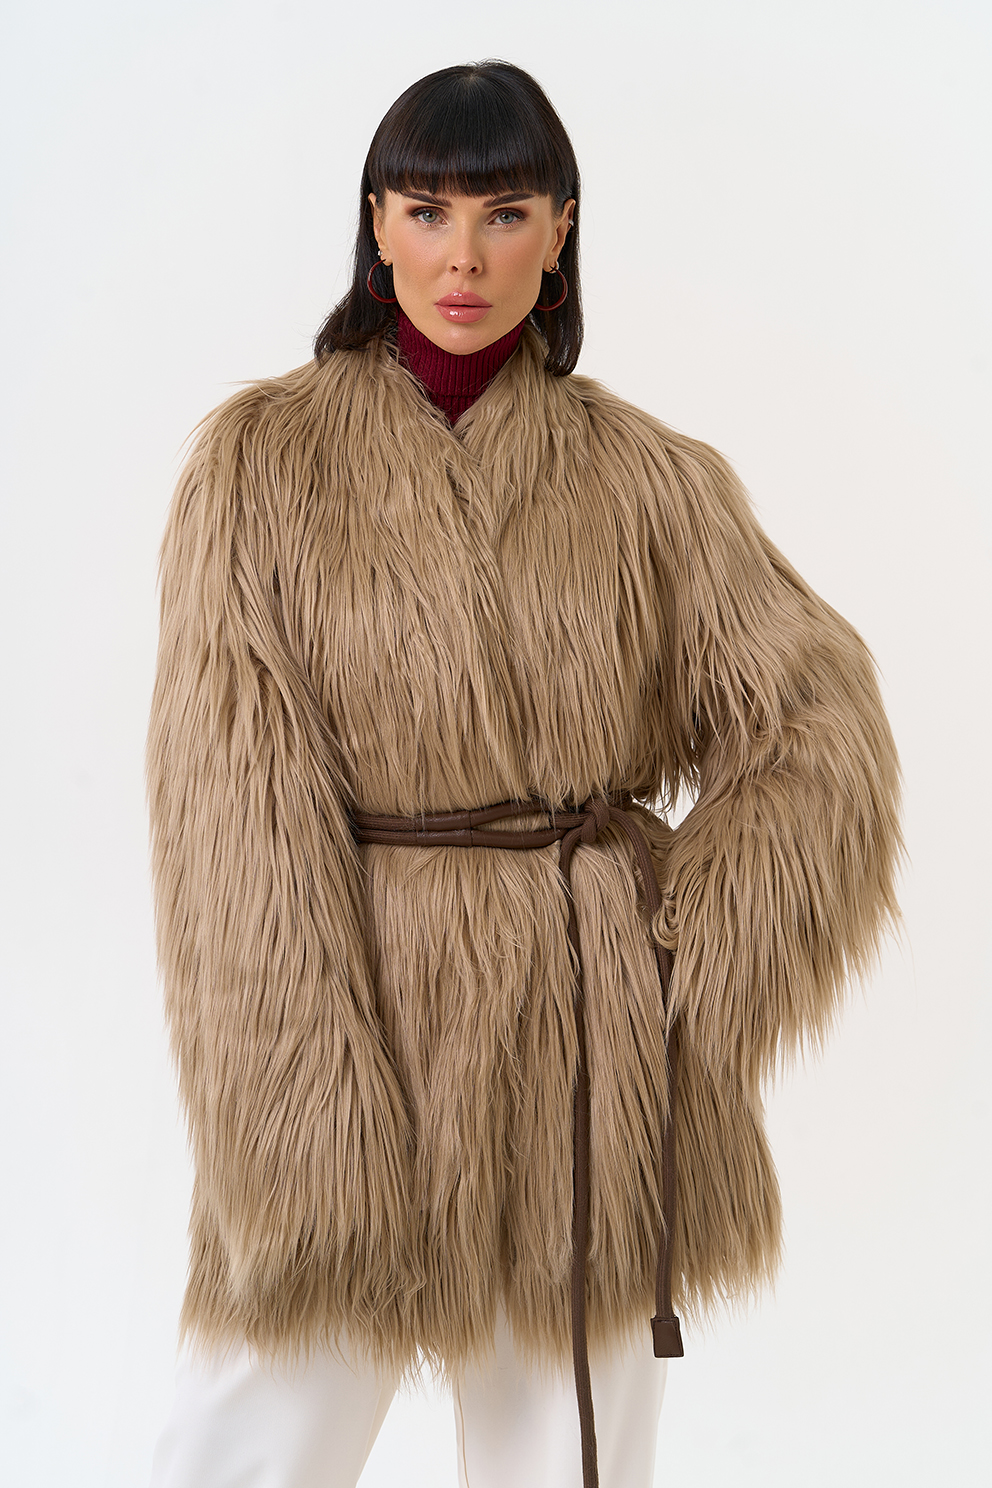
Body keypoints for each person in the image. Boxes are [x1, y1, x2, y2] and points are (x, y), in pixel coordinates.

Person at [146, 60, 901, 1488]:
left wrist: (683, 955)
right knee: (251, 1436)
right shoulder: (258, 469)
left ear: (561, 232)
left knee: (570, 1453)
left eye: (505, 213)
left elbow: (818, 726)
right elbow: (229, 814)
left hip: (583, 1048)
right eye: (427, 210)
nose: (465, 257)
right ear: (375, 226)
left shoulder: (650, 480)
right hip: (352, 1022)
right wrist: (298, 1102)